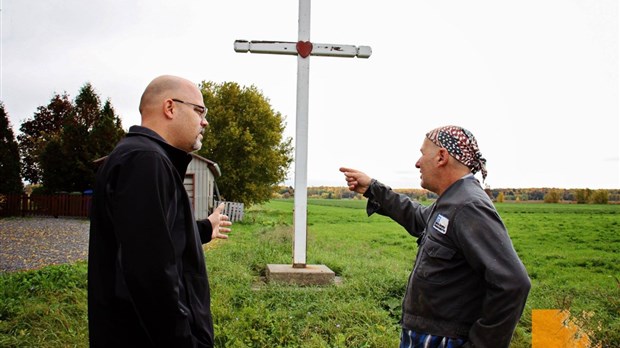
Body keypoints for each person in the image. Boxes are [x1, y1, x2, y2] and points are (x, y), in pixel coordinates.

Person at [340, 125, 530, 348]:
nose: (417, 163)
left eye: (422, 154)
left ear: (441, 157)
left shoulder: (469, 206)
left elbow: (513, 283)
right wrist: (373, 188)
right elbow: (417, 216)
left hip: (444, 340)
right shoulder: (452, 200)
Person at [88, 75, 232, 347]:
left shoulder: (143, 157)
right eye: (199, 110)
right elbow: (150, 274)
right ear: (170, 108)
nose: (205, 121)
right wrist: (183, 340)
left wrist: (203, 229)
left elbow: (155, 237)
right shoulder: (146, 160)